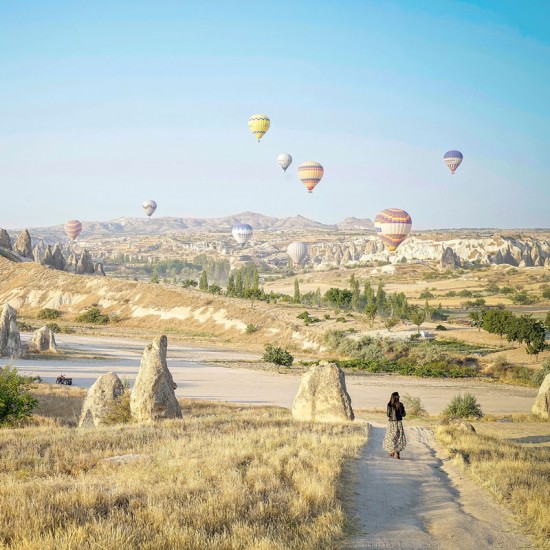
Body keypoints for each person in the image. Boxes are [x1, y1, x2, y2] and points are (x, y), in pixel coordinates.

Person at [382, 391, 406, 459]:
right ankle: (397, 454)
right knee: (398, 438)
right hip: (399, 423)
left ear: (392, 397)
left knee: (391, 437)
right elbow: (404, 414)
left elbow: (388, 414)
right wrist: (400, 414)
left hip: (391, 423)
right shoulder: (401, 404)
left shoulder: (389, 405)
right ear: (398, 397)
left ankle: (392, 451)